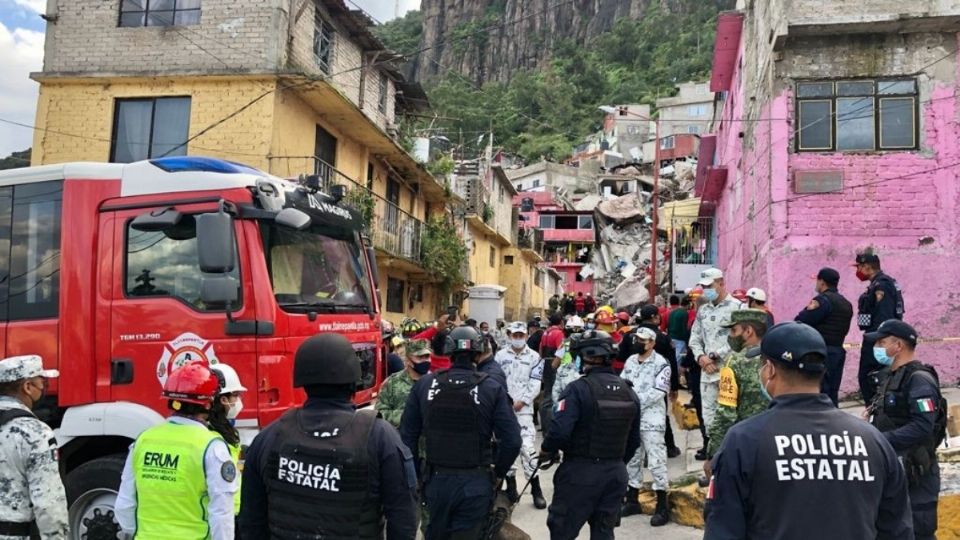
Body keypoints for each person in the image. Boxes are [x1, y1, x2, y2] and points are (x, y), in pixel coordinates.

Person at [704, 322, 913, 540]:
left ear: (770, 370)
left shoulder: (744, 440)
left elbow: (722, 528)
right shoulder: (872, 440)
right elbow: (897, 530)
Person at [240, 334, 417, 538]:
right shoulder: (380, 437)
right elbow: (403, 519)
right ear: (354, 379)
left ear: (302, 380)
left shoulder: (270, 436)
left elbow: (251, 522)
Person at [400, 326, 521, 539]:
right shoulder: (491, 387)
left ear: (447, 351)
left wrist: (418, 476)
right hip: (475, 482)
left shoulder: (425, 385)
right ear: (478, 351)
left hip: (436, 481)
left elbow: (407, 436)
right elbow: (511, 440)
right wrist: (498, 473)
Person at [117, 362, 237, 539]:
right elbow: (221, 514)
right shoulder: (211, 447)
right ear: (208, 404)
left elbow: (125, 505)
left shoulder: (143, 440)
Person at [540, 330, 641, 540]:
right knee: (604, 533)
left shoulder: (577, 389)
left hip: (580, 473)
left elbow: (558, 432)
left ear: (585, 356)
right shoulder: (629, 392)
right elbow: (633, 441)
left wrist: (546, 450)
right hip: (615, 474)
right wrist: (613, 462)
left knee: (562, 531)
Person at [867, 320, 943, 540]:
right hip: (893, 467)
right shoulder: (890, 377)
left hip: (916, 471)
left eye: (882, 342)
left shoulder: (919, 380)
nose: (877, 347)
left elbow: (922, 426)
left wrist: (879, 440)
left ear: (898, 346)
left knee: (918, 529)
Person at [0, 355, 67, 540]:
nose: (45, 387)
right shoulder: (35, 433)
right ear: (28, 387)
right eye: (42, 381)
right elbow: (49, 503)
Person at [689, 268, 743, 460]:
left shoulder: (737, 308)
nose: (706, 290)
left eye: (709, 286)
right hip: (708, 374)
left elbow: (740, 340)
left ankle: (733, 461)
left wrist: (713, 355)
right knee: (710, 422)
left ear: (721, 282)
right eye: (703, 287)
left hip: (730, 374)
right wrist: (701, 358)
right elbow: (694, 339)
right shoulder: (703, 311)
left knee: (733, 419)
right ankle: (715, 465)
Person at [620, 327, 672, 526]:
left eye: (642, 340)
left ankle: (662, 505)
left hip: (652, 420)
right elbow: (624, 383)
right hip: (632, 419)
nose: (638, 342)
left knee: (656, 460)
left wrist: (633, 402)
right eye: (637, 339)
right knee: (633, 458)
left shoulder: (661, 364)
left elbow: (658, 391)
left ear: (652, 343)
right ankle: (633, 499)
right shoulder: (631, 361)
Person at [705, 310, 769, 462]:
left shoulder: (734, 363)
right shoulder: (778, 358)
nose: (731, 336)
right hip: (779, 441)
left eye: (734, 330)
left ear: (748, 331)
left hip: (747, 443)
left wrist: (713, 453)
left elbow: (725, 414)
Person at [494, 321, 546, 509]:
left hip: (524, 410)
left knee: (527, 448)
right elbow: (495, 380)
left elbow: (536, 383)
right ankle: (511, 488)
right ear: (509, 335)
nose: (517, 339)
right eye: (514, 335)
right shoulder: (499, 356)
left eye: (521, 335)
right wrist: (505, 402)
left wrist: (522, 401)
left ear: (525, 335)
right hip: (503, 410)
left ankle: (536, 489)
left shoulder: (534, 357)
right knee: (506, 448)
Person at [795, 267, 854, 406]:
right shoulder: (846, 304)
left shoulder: (822, 301)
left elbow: (802, 320)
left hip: (821, 353)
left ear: (822, 282)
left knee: (819, 393)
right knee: (832, 394)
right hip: (837, 351)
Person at [854, 252, 905, 404]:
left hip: (878, 339)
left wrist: (880, 342)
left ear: (867, 267)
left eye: (859, 267)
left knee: (870, 378)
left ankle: (876, 413)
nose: (857, 271)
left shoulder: (881, 285)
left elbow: (884, 317)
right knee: (873, 378)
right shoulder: (883, 283)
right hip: (878, 337)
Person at [632, 305, 681, 458]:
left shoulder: (630, 336)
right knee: (660, 414)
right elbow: (672, 363)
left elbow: (620, 359)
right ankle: (669, 447)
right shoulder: (663, 337)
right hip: (658, 384)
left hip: (634, 384)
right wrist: (674, 386)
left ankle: (636, 449)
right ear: (656, 317)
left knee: (635, 414)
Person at [209, 363, 247, 527]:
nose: (238, 400)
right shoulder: (213, 438)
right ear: (224, 399)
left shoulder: (225, 430)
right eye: (236, 395)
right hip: (221, 518)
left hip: (231, 513)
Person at [377, 339, 432, 429]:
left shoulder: (436, 382)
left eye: (427, 356)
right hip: (401, 439)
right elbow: (380, 413)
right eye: (419, 357)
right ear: (408, 360)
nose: (425, 361)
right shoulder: (392, 383)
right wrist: (406, 416)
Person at [539, 314, 566, 435]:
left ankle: (544, 425)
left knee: (546, 395)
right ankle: (549, 428)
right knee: (551, 396)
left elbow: (540, 349)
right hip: (553, 364)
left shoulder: (546, 332)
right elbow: (560, 351)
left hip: (545, 362)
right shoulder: (559, 333)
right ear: (561, 322)